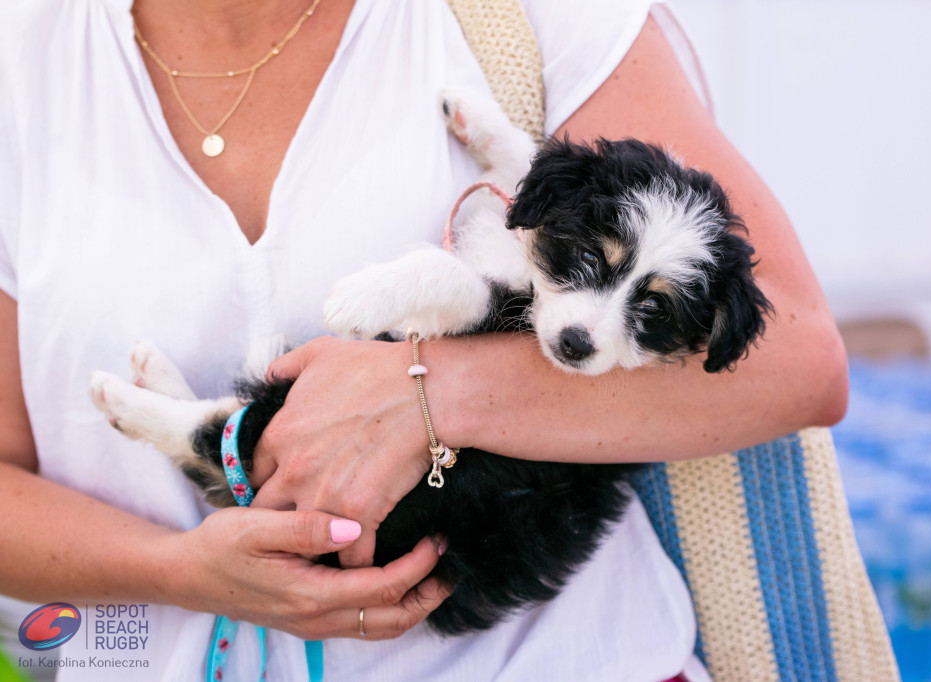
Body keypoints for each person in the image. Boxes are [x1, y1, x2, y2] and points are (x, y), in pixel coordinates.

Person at [0, 0, 848, 680]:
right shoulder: (23, 61)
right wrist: (184, 570)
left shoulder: (538, 17)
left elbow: (799, 358)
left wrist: (430, 394)